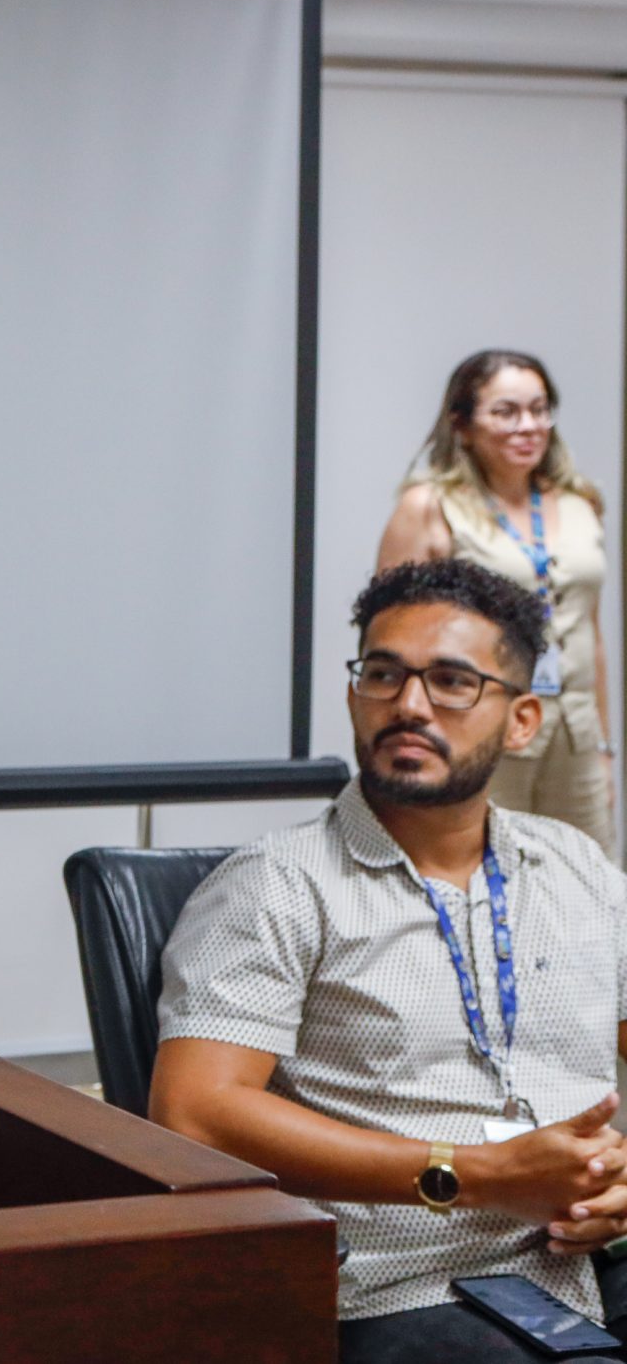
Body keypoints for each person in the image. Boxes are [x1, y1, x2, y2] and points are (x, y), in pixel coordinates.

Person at [151, 558, 627, 1361]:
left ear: (522, 721)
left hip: (588, 1260)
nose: (408, 704)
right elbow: (195, 1111)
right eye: (383, 674)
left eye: (451, 681)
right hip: (404, 1287)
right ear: (353, 695)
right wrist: (478, 1173)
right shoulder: (278, 882)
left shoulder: (574, 865)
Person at [379, 350, 615, 854]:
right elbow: (392, 639)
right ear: (462, 425)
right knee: (484, 867)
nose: (528, 426)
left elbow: (591, 634)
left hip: (574, 731)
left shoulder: (580, 504)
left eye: (539, 409)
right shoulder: (430, 506)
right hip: (477, 724)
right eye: (506, 412)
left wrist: (604, 745)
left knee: (590, 872)